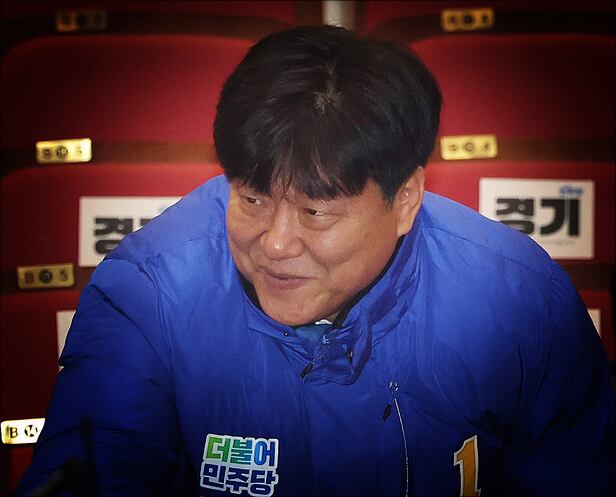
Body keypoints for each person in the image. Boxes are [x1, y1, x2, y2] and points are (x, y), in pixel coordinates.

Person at [17, 25, 614, 496]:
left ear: (405, 199)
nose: (276, 243)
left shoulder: (521, 302)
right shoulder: (147, 292)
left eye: (316, 212)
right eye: (252, 198)